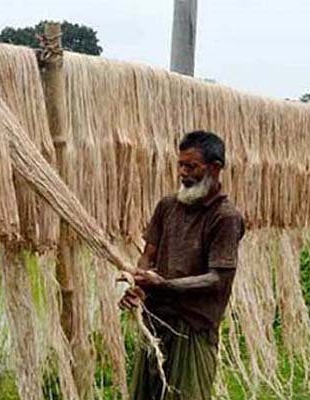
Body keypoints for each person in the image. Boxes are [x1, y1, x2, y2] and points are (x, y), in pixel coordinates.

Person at [120, 131, 245, 400]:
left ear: (215, 168)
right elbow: (148, 255)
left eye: (191, 167)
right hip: (157, 320)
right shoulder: (167, 206)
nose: (183, 173)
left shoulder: (225, 217)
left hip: (193, 327)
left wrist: (165, 285)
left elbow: (218, 279)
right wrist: (139, 284)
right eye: (180, 165)